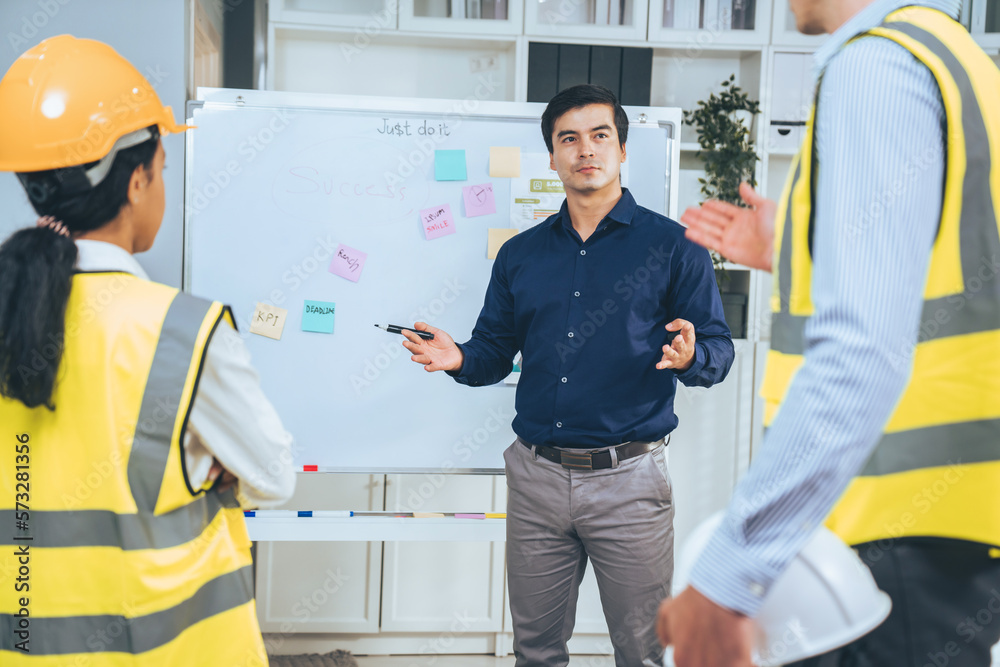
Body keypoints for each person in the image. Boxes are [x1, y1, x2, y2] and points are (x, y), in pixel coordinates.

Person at [656, 1, 1000, 666]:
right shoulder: (960, 61)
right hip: (943, 535)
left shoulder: (878, 65)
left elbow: (862, 349)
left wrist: (730, 574)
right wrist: (794, 245)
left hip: (888, 532)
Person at [402, 84, 734, 667]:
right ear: (552, 157)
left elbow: (716, 350)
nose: (586, 150)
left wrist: (690, 357)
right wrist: (459, 359)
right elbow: (492, 354)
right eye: (569, 139)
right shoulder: (520, 255)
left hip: (628, 480)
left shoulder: (675, 246)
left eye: (600, 135)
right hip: (537, 478)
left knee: (643, 651)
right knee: (535, 652)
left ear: (623, 149)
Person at [0, 36, 295, 665]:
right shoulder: (182, 330)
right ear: (137, 180)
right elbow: (273, 476)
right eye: (162, 168)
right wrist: (207, 464)